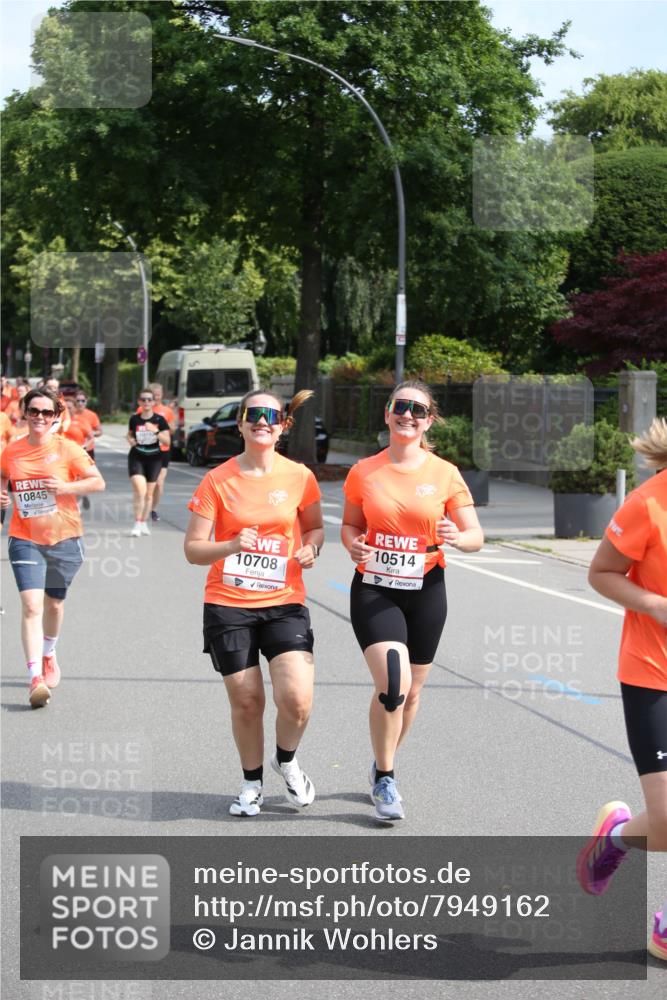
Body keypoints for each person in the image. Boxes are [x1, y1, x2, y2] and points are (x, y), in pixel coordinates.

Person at [341, 380, 484, 822]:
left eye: (418, 410)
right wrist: (353, 546)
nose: (408, 415)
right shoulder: (364, 470)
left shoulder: (444, 473)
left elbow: (476, 536)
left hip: (426, 588)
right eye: (400, 407)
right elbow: (349, 525)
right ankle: (386, 778)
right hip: (375, 587)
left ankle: (384, 764)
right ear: (386, 414)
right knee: (393, 684)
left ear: (429, 420)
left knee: (412, 692)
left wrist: (456, 538)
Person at [184, 389, 324, 817]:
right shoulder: (217, 480)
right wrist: (228, 546)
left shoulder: (300, 476)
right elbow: (192, 549)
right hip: (229, 604)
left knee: (297, 699)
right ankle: (251, 784)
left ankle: (286, 759)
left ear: (283, 426)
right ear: (241, 423)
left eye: (271, 415)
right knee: (247, 701)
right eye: (253, 414)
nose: (262, 421)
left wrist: (312, 549)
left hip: (283, 602)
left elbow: (315, 529)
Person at [577, 417, 667, 962]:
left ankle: (661, 919)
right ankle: (615, 839)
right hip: (653, 671)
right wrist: (657, 606)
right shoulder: (649, 502)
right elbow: (603, 571)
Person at [0, 387, 105, 707]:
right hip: (24, 538)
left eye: (47, 413)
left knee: (54, 605)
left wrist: (66, 486)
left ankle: (49, 652)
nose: (40, 418)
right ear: (24, 413)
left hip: (64, 539)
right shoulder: (11, 452)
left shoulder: (68, 450)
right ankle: (35, 677)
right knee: (32, 606)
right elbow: (3, 478)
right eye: (34, 411)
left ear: (56, 417)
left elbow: (98, 481)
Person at [127, 389, 170, 537]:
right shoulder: (134, 419)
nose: (146, 402)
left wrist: (155, 432)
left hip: (154, 458)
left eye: (149, 400)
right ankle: (137, 523)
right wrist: (130, 440)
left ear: (153, 402)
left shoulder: (159, 420)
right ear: (139, 402)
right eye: (143, 399)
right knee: (140, 490)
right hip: (137, 456)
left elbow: (168, 441)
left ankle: (144, 522)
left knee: (149, 494)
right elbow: (130, 434)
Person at [136, 382, 175, 522]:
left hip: (163, 450)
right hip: (146, 449)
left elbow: (173, 430)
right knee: (147, 483)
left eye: (159, 395)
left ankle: (153, 509)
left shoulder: (167, 411)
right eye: (155, 396)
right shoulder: (141, 410)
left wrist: (163, 424)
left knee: (159, 482)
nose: (157, 398)